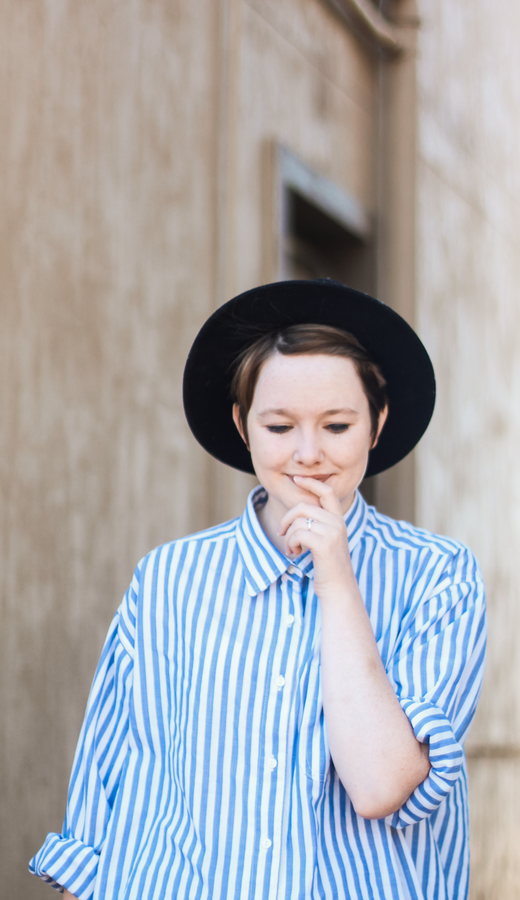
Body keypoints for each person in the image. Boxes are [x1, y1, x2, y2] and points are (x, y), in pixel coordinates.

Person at [30, 279, 486, 900]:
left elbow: (381, 785)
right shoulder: (169, 580)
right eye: (279, 426)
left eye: (336, 424)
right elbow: (109, 789)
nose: (308, 453)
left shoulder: (438, 576)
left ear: (376, 424)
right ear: (243, 425)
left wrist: (337, 579)